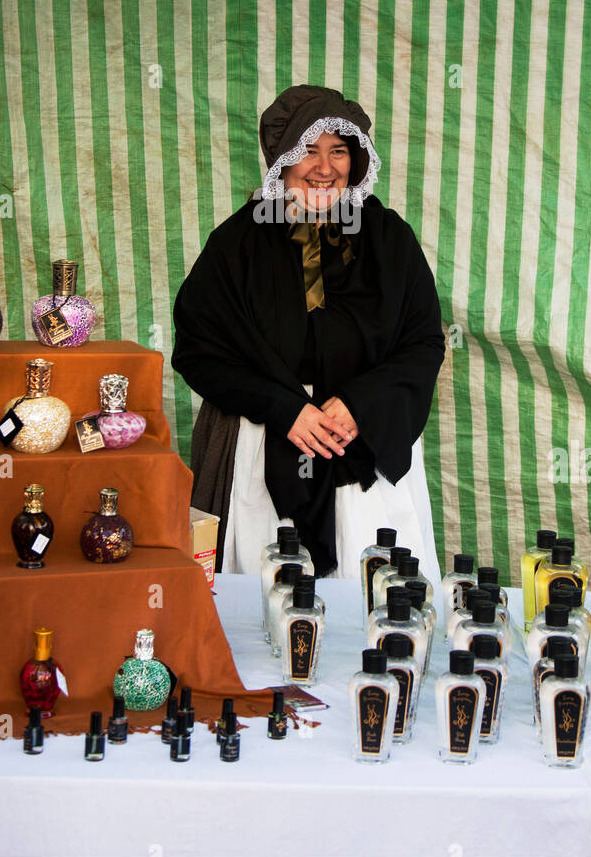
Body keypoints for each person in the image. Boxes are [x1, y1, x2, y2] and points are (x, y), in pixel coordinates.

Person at [170, 84, 446, 586]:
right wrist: (285, 408)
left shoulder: (389, 240)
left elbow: (423, 342)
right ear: (282, 159)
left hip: (361, 444)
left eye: (338, 151)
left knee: (378, 605)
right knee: (266, 604)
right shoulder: (239, 243)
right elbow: (198, 349)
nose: (324, 168)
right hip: (264, 446)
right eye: (307, 151)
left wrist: (361, 404)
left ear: (356, 159)